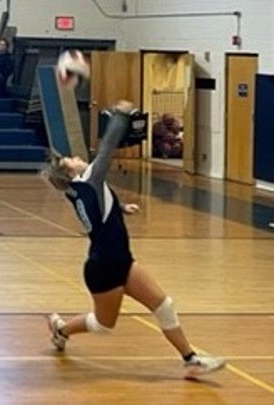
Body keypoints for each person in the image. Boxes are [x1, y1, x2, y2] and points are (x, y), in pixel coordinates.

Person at [45, 100, 226, 379]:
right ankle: (61, 329)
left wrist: (120, 209)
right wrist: (121, 114)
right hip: (103, 267)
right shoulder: (89, 178)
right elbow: (107, 148)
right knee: (104, 326)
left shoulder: (79, 190)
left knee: (164, 306)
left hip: (121, 259)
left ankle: (191, 360)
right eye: (72, 159)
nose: (78, 157)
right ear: (73, 172)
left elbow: (97, 207)